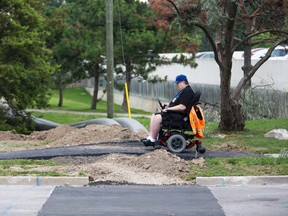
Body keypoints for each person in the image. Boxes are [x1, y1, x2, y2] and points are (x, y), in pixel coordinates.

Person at [142, 74, 196, 147]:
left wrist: (168, 109)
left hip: (180, 116)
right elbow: (176, 103)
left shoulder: (187, 91)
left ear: (183, 82)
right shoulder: (183, 91)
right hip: (176, 114)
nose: (177, 85)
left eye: (178, 83)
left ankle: (152, 139)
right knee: (154, 115)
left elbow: (182, 107)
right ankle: (151, 138)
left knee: (158, 117)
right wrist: (168, 105)